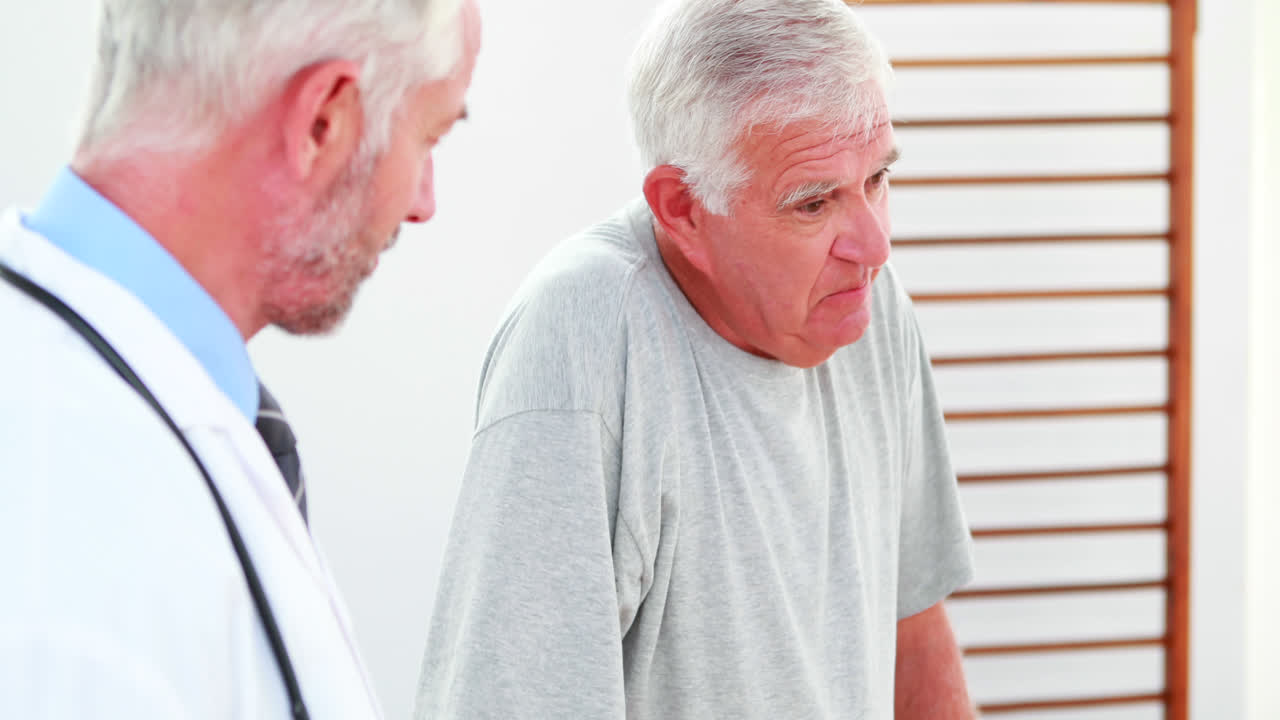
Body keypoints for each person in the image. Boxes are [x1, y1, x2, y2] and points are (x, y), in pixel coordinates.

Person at [415, 0, 976, 718]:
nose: (874, 245)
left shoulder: (865, 299)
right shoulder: (585, 336)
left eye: (876, 180)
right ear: (682, 209)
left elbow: (914, 625)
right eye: (813, 204)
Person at [0, 0, 480, 717]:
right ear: (324, 119)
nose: (424, 203)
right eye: (430, 136)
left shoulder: (129, 408)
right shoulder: (76, 546)